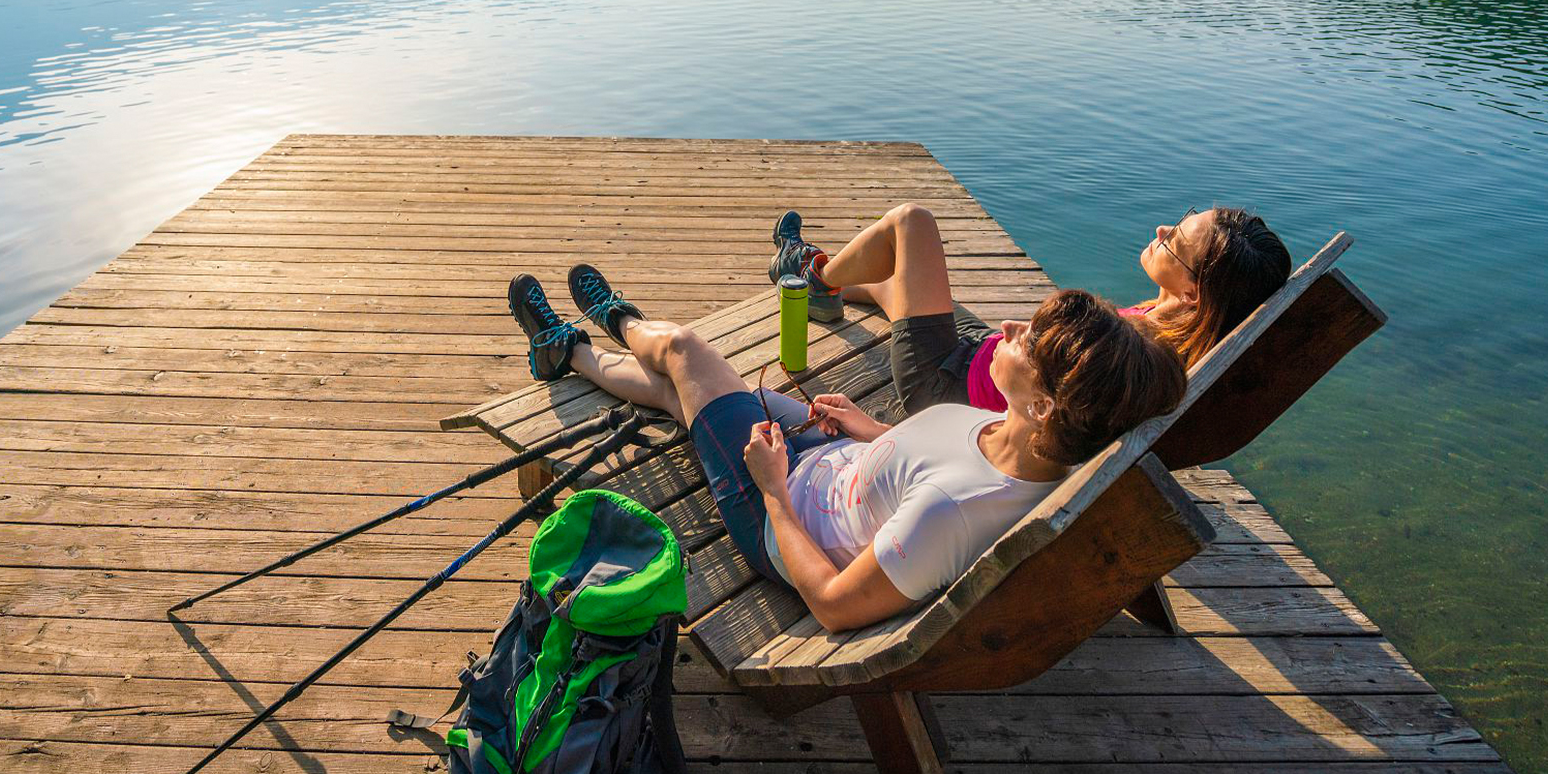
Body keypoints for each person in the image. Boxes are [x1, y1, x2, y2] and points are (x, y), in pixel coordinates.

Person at [504, 266, 1185, 633]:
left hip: (784, 515)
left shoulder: (950, 512)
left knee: (685, 353)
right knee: (686, 390)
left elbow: (831, 602)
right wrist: (875, 434)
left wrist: (771, 487)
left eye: (1025, 340)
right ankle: (573, 351)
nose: (1006, 325)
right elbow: (936, 465)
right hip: (831, 462)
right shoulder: (1031, 446)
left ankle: (614, 324)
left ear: (1045, 405)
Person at [768, 203, 1290, 416]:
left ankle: (814, 273)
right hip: (978, 360)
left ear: (1197, 292)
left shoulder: (1137, 352)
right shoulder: (1173, 326)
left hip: (946, 384)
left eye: (1175, 240)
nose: (1161, 231)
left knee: (912, 223)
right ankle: (826, 291)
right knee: (897, 286)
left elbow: (1039, 424)